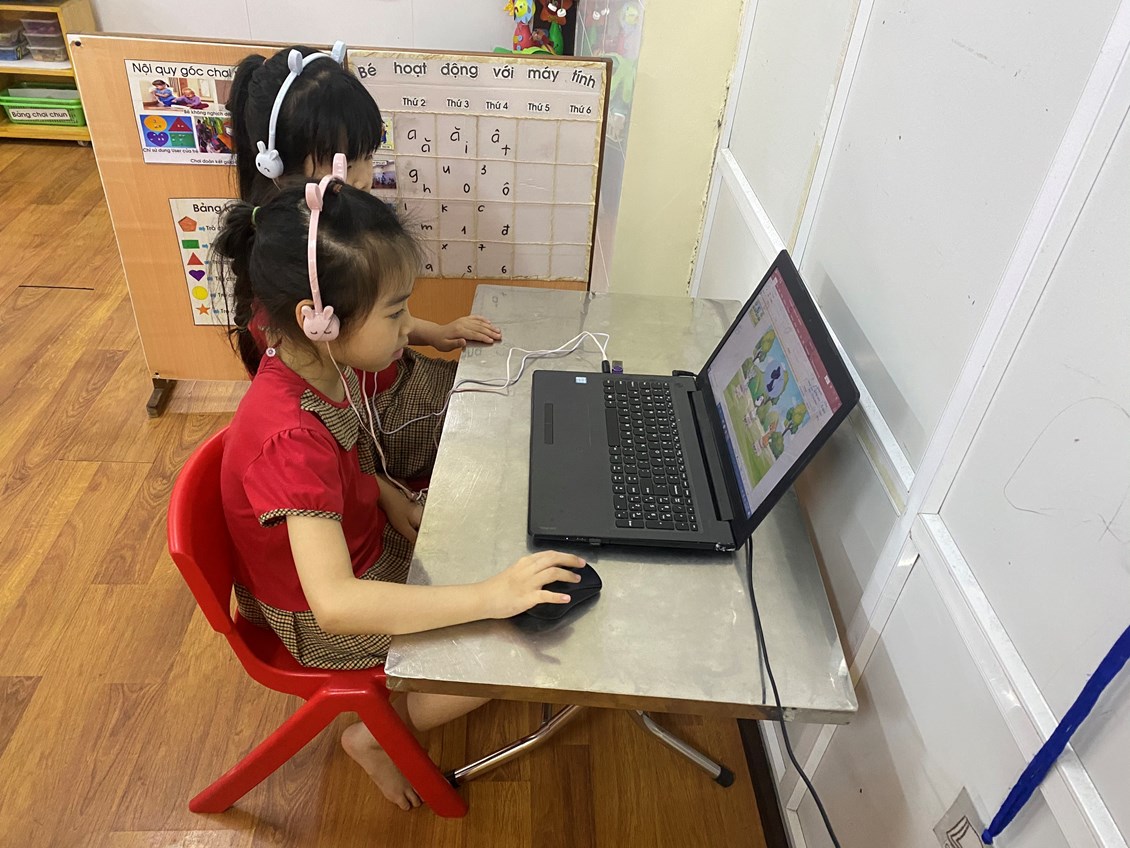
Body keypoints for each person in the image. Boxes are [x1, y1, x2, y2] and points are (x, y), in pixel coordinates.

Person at [214, 176, 584, 810]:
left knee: (498, 551)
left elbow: (344, 457)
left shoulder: (316, 363)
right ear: (317, 319)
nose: (407, 328)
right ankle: (380, 736)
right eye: (395, 314)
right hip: (318, 619)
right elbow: (335, 604)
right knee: (520, 633)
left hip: (368, 546)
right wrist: (489, 599)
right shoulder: (289, 437)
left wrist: (384, 494)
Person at [226, 44, 502, 483]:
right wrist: (376, 485)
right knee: (486, 429)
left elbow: (378, 312)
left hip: (391, 375)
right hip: (369, 417)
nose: (362, 178)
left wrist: (438, 332)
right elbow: (330, 435)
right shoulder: (288, 276)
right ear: (278, 164)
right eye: (345, 162)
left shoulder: (338, 229)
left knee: (488, 396)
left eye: (368, 157)